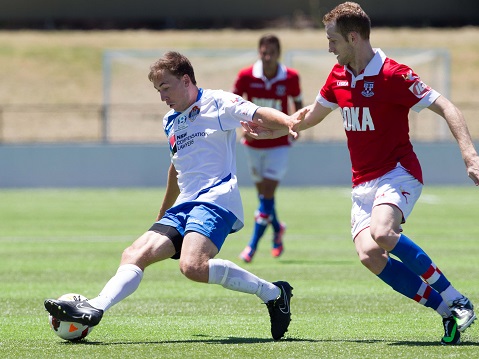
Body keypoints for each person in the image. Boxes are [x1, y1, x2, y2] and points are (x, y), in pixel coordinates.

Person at [241, 2, 479, 345]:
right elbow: (308, 117)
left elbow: (446, 106)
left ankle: (455, 297)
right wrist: (273, 130)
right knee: (369, 255)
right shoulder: (338, 76)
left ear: (353, 37)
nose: (329, 47)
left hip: (398, 172)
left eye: (333, 40)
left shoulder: (393, 74)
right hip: (362, 184)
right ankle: (447, 311)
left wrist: (469, 154)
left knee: (383, 233)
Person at [44, 51, 307, 341]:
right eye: (158, 91)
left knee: (192, 267)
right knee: (133, 254)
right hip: (184, 204)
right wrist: (162, 215)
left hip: (217, 198)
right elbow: (176, 167)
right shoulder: (170, 120)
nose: (162, 97)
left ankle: (273, 293)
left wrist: (288, 120)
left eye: (165, 88)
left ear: (185, 80)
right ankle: (95, 307)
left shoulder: (218, 102)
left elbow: (256, 112)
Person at [232, 34, 303, 263]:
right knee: (265, 197)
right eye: (264, 51)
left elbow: (299, 104)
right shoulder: (246, 76)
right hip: (253, 143)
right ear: (259, 52)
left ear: (278, 53)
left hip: (279, 144)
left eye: (272, 52)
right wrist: (240, 125)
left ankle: (251, 247)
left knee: (267, 195)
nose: (268, 56)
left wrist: (296, 126)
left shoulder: (290, 77)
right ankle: (277, 229)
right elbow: (234, 103)